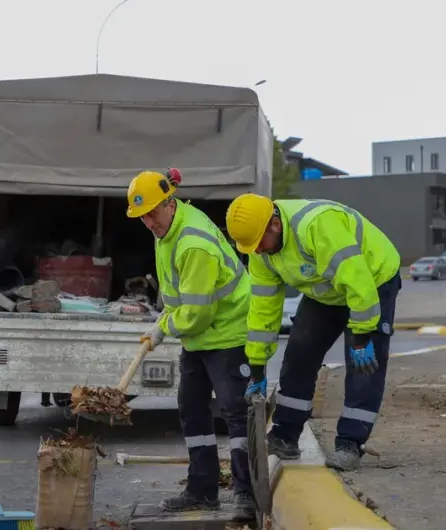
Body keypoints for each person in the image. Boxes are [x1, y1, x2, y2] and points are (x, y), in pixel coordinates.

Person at [225, 195, 402, 472]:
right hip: (326, 290)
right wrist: (257, 369)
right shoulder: (261, 252)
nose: (257, 250)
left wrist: (362, 337)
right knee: (299, 352)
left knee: (363, 363)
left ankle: (350, 444)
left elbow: (358, 281)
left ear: (274, 223)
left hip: (373, 278)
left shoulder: (316, 226)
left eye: (259, 242)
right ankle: (285, 435)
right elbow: (262, 311)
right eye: (251, 247)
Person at [126, 169, 257, 520]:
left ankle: (247, 494)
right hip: (200, 338)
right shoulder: (167, 229)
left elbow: (196, 314)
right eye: (142, 217)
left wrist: (164, 327)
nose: (149, 222)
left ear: (170, 203)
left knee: (235, 411)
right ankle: (202, 489)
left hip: (228, 333)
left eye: (153, 213)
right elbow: (179, 292)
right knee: (191, 407)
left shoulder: (193, 243)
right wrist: (164, 319)